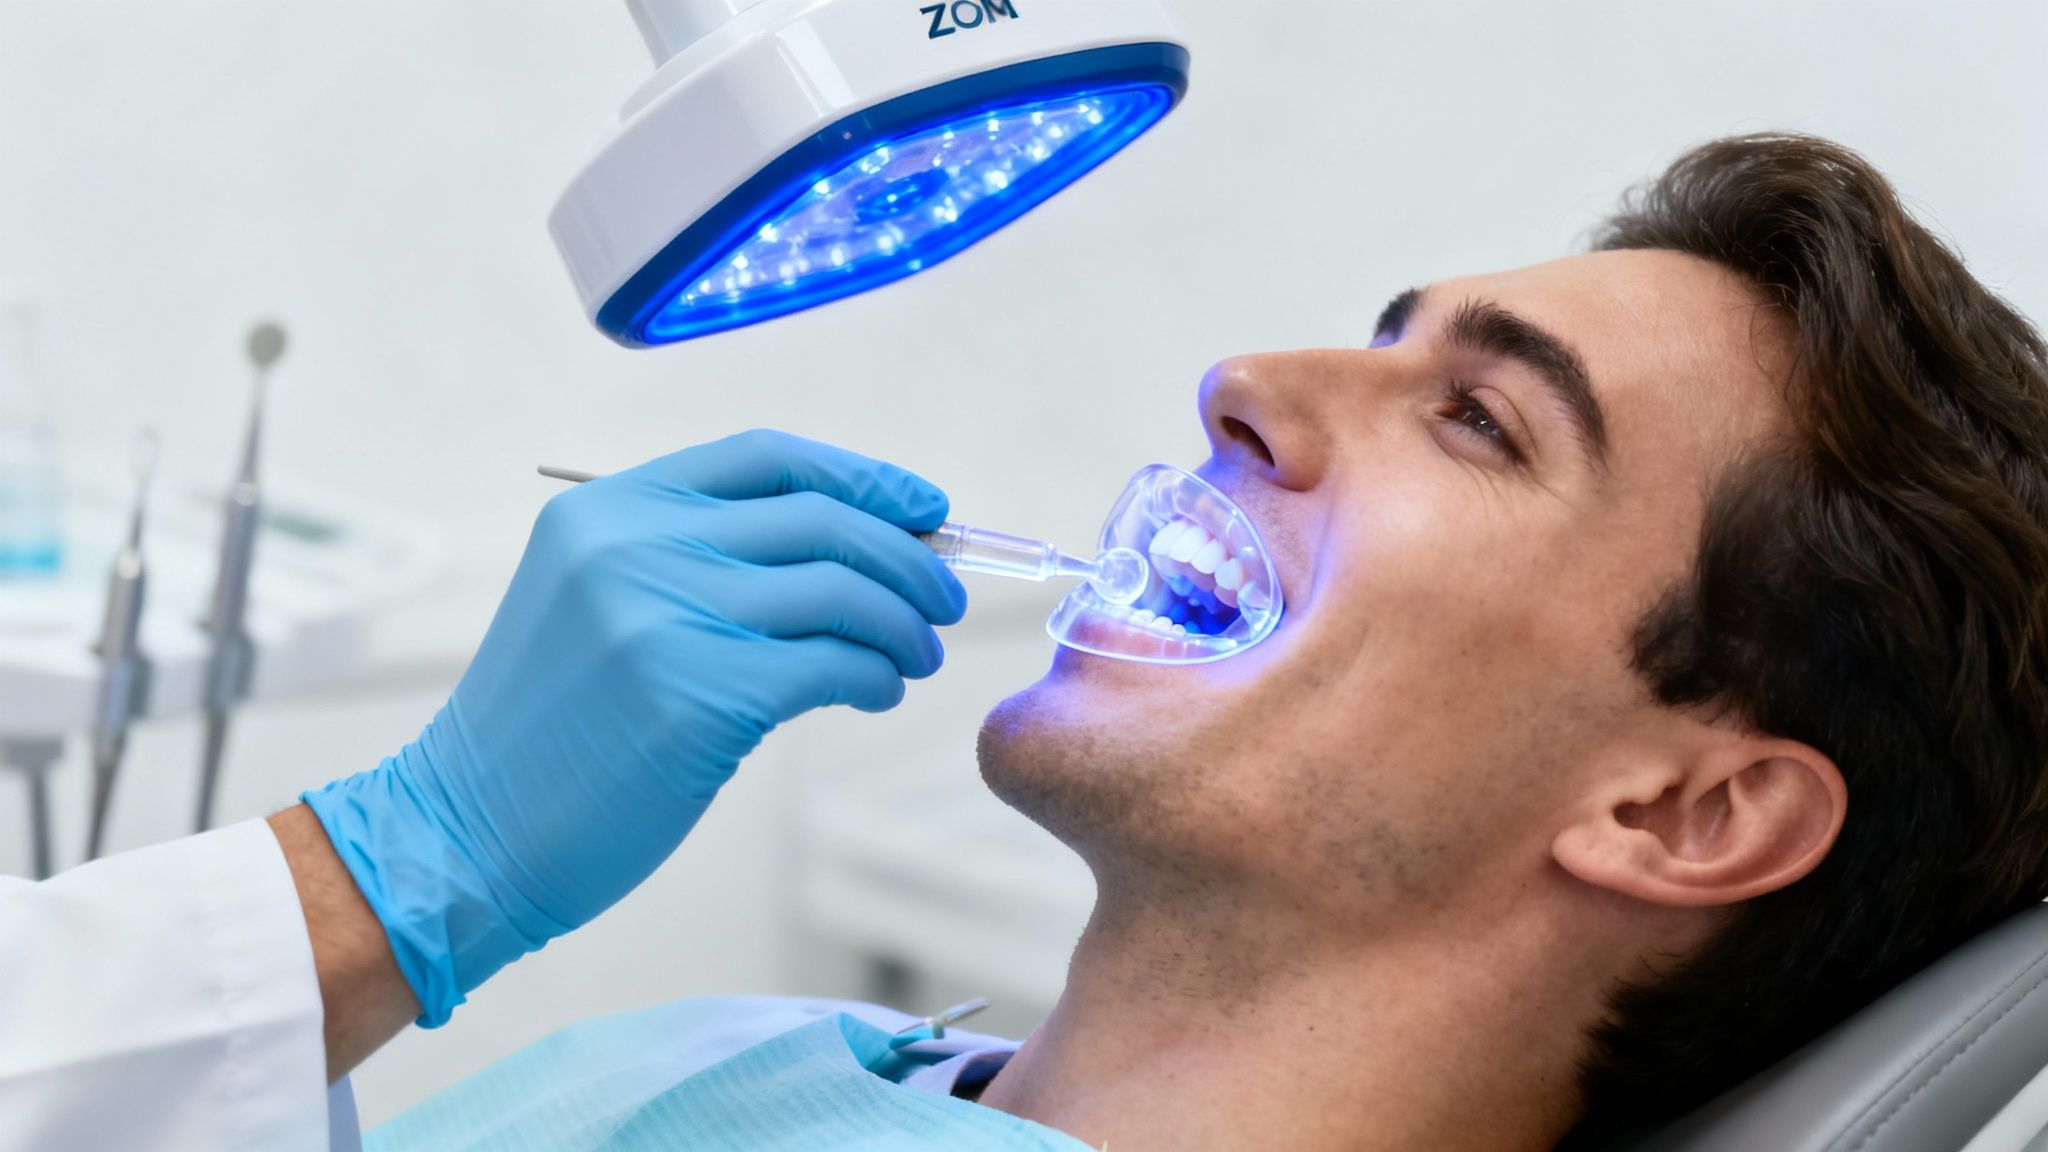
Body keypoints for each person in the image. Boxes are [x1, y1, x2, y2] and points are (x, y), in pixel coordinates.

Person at [7, 131, 2047, 1152]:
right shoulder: (768, 1061)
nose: (1240, 380)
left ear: (1686, 808)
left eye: (1476, 421)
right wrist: (375, 874)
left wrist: (383, 877)